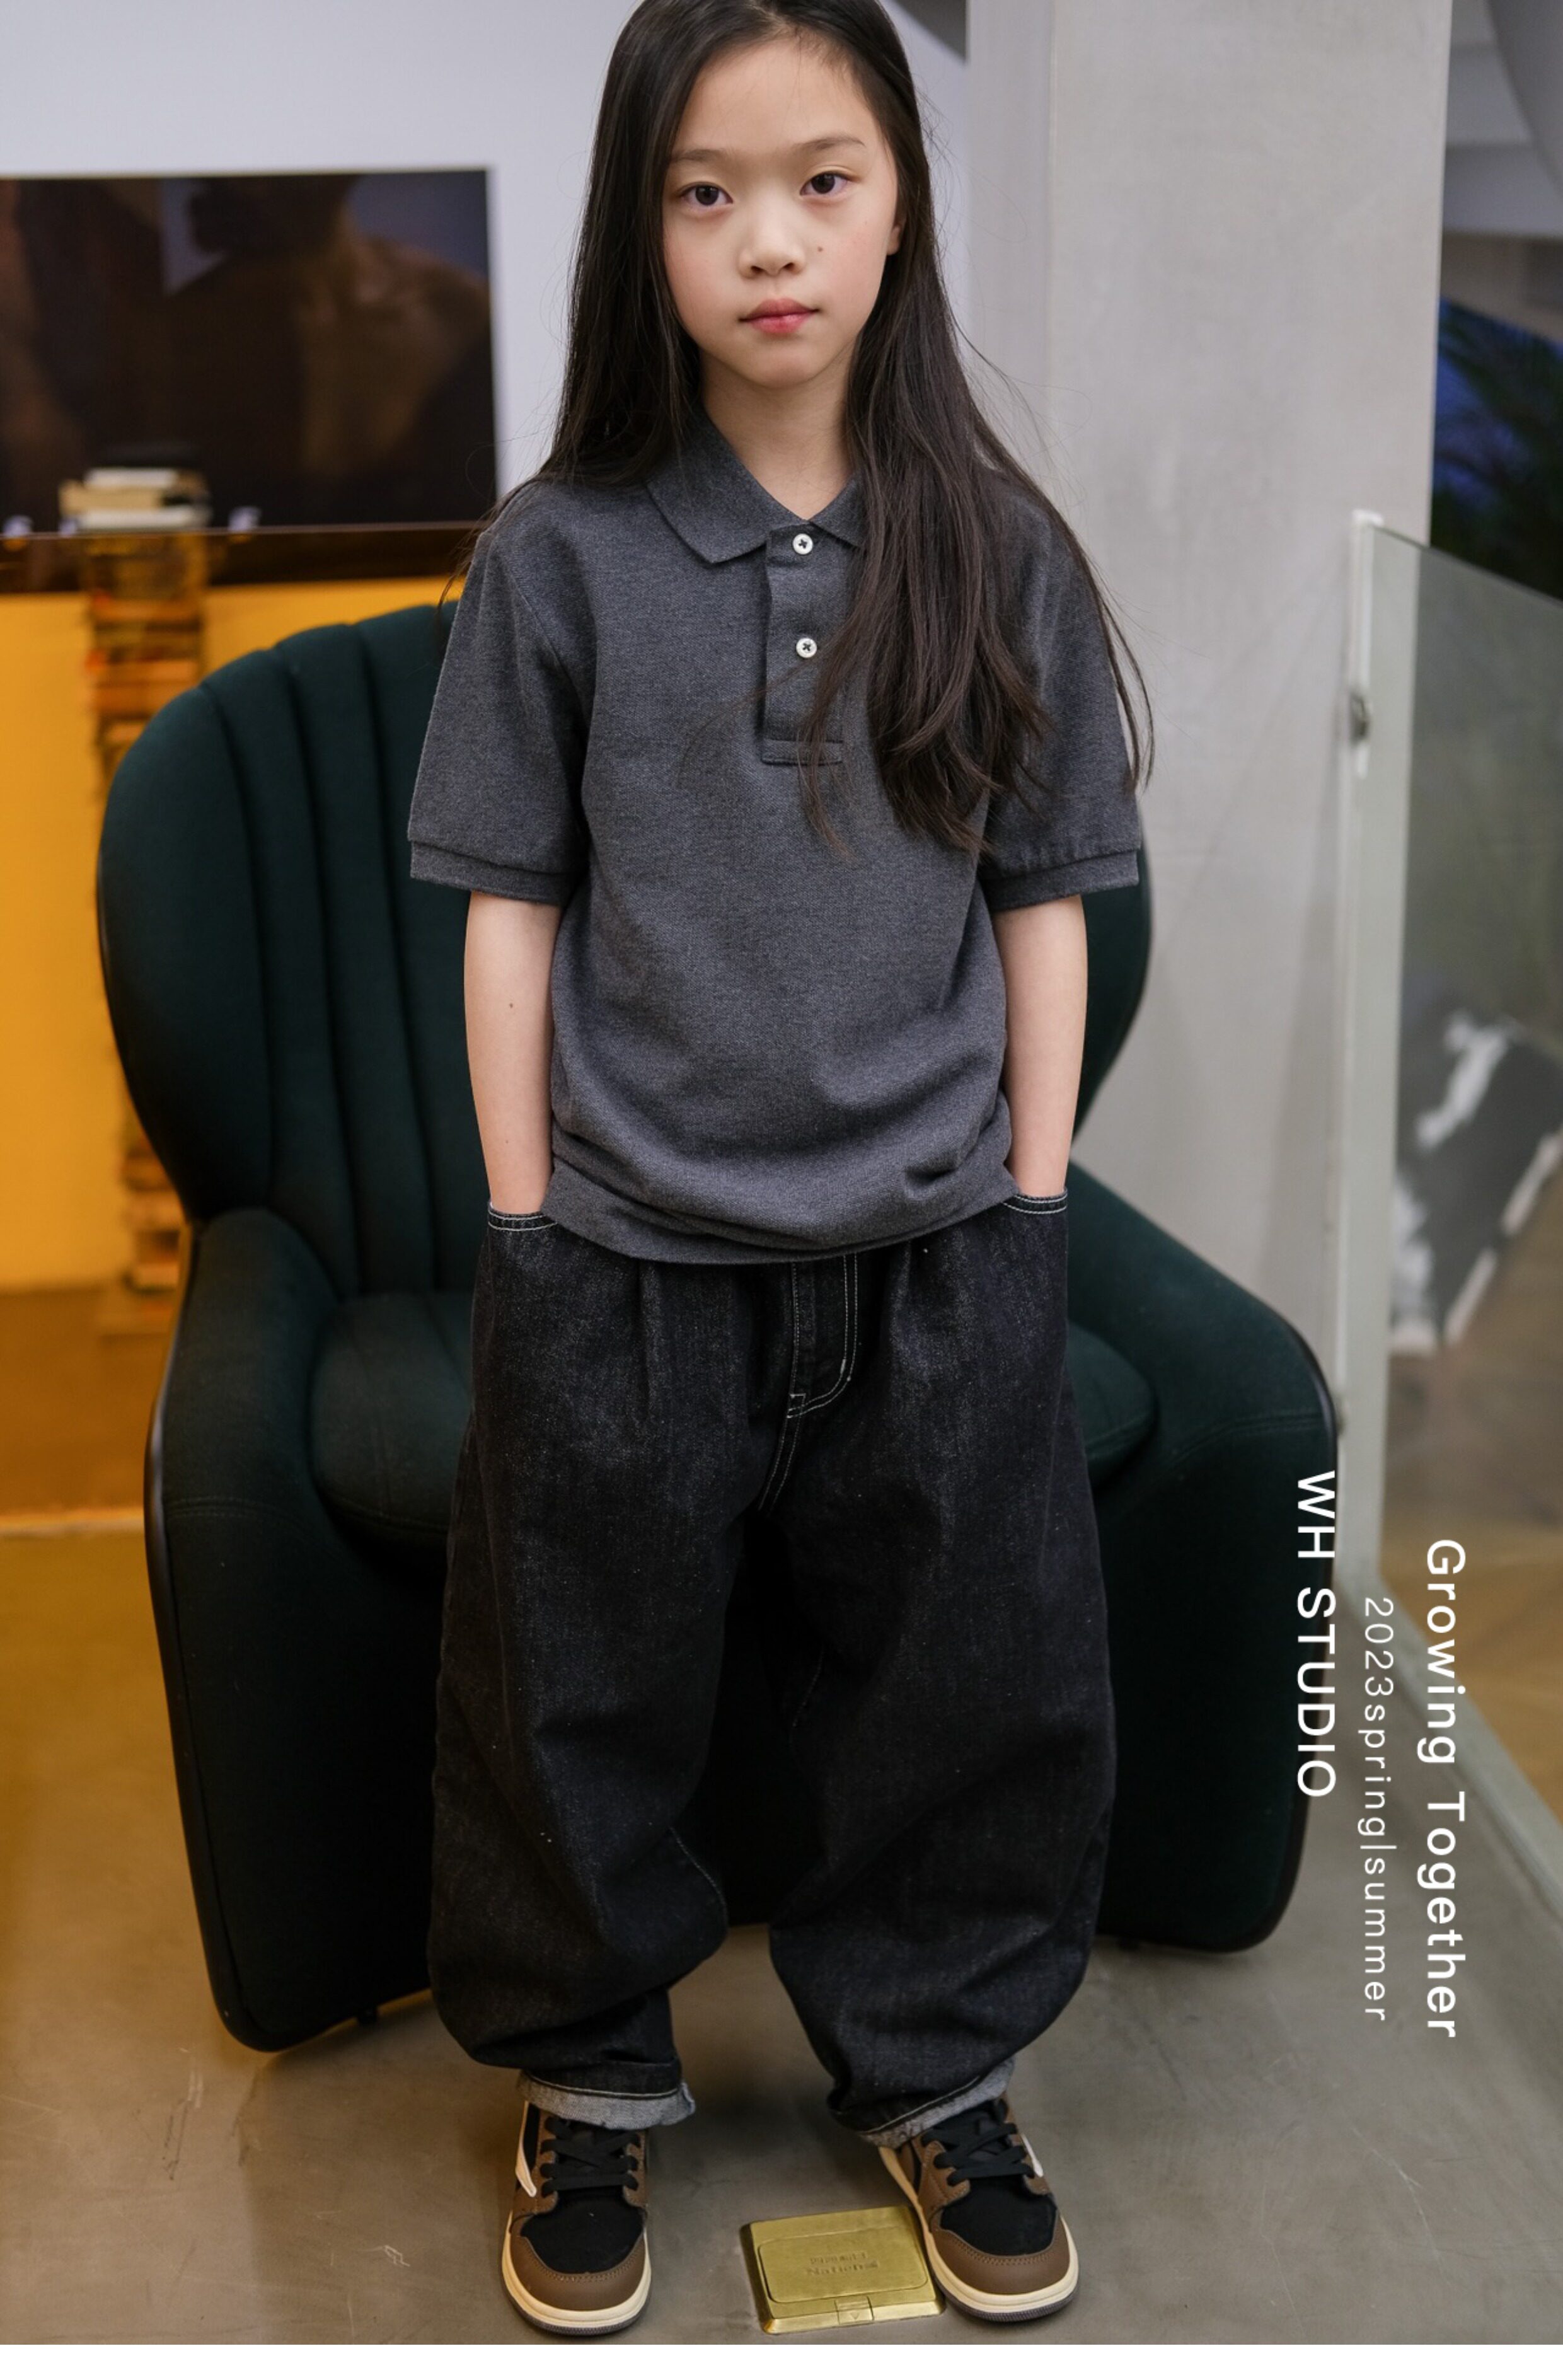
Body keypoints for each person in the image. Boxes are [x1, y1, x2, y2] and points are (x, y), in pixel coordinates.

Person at [406, 0, 1150, 2338]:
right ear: (642, 232)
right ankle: (590, 2081)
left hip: (938, 1249)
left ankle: (942, 2067)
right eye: (706, 193)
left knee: (972, 1686)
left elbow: (1046, 897)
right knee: (571, 1696)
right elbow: (510, 904)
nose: (770, 242)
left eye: (823, 181)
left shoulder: (997, 549)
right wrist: (523, 1218)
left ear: (900, 202)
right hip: (626, 1255)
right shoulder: (558, 557)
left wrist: (1033, 1199)